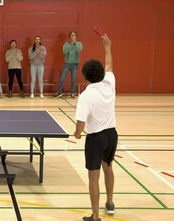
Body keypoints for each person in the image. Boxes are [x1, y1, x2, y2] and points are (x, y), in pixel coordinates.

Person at [74, 35, 117, 221]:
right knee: (108, 168)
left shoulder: (85, 95)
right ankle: (110, 203)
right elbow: (109, 64)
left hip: (96, 138)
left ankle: (95, 216)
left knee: (93, 176)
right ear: (101, 73)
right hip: (111, 134)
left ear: (85, 76)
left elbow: (81, 124)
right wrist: (107, 46)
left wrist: (76, 134)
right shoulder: (109, 83)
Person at [54, 31, 83, 98]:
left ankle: (72, 93)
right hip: (67, 64)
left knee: (73, 79)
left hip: (75, 64)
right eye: (71, 35)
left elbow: (78, 50)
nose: (73, 37)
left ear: (76, 36)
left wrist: (74, 44)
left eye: (74, 35)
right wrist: (71, 45)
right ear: (69, 37)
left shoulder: (79, 44)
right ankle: (59, 92)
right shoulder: (66, 44)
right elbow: (64, 51)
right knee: (62, 78)